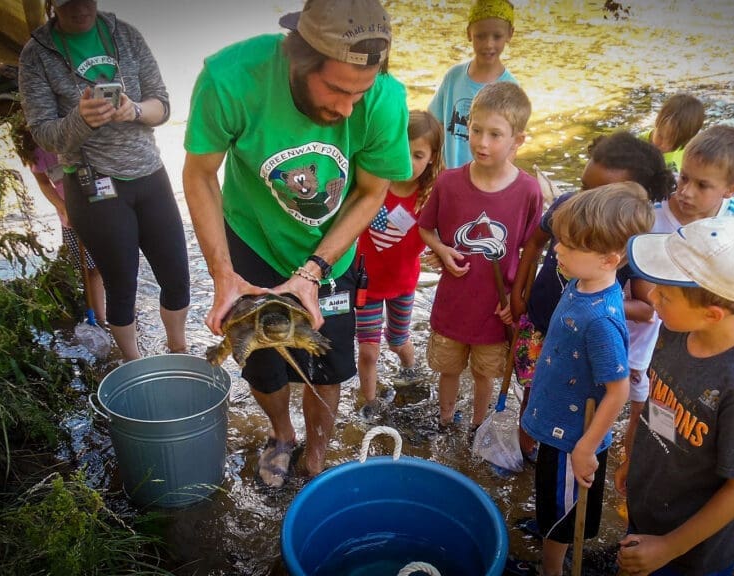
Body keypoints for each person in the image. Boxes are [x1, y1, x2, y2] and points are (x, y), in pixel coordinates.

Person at [182, 0, 411, 488]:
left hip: (333, 251)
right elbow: (200, 175)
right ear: (298, 58)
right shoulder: (231, 78)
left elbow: (372, 192)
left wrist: (312, 270)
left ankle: (318, 453)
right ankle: (283, 435)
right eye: (335, 89)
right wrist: (223, 272)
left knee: (328, 364)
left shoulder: (386, 99)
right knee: (262, 363)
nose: (347, 108)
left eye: (360, 92)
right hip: (252, 244)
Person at [18, 0, 189, 361]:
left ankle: (180, 351)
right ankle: (134, 366)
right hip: (92, 185)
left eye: (86, 0)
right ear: (52, 4)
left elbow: (163, 104)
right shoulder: (36, 55)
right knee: (121, 286)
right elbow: (43, 135)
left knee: (176, 278)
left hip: (149, 173)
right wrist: (82, 118)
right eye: (68, 3)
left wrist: (135, 110)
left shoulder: (124, 35)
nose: (80, 8)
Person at [615, 217, 734, 576]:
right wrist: (634, 457)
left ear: (712, 314)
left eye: (665, 295)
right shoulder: (675, 329)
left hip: (693, 552)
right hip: (649, 508)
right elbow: (655, 409)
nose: (652, 298)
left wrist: (668, 548)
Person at [510, 130, 676, 459]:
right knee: (533, 392)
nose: (585, 199)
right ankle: (527, 455)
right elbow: (535, 242)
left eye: (598, 192)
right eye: (585, 186)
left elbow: (646, 308)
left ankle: (551, 459)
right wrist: (520, 290)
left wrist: (595, 306)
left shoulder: (627, 243)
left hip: (577, 344)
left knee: (564, 407)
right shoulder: (567, 207)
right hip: (541, 323)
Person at [519, 182, 655, 576]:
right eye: (559, 241)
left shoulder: (601, 320)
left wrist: (585, 448)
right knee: (552, 502)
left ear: (609, 259)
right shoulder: (580, 284)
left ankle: (553, 570)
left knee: (564, 517)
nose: (556, 250)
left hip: (573, 439)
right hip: (557, 425)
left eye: (569, 245)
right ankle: (548, 539)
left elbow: (619, 390)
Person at [623, 124, 734, 459]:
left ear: (732, 189)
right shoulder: (651, 215)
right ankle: (632, 455)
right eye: (683, 178)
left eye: (702, 185)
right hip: (649, 323)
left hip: (695, 325)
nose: (685, 191)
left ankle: (649, 455)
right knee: (642, 390)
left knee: (670, 399)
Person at [419, 81, 542, 430]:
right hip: (453, 304)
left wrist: (518, 300)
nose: (482, 142)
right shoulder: (448, 183)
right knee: (448, 368)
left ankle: (477, 426)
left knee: (486, 373)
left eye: (495, 134)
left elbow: (531, 254)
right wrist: (441, 250)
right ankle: (445, 420)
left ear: (518, 140)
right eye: (475, 130)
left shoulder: (528, 191)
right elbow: (426, 229)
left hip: (495, 311)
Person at [0, 63, 106, 326]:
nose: (15, 119)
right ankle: (101, 321)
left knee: (112, 261)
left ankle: (122, 314)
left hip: (99, 199)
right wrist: (62, 207)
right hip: (70, 214)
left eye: (16, 110)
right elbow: (43, 181)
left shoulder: (62, 118)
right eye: (8, 116)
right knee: (89, 269)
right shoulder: (24, 141)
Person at [355, 110, 444, 419]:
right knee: (368, 348)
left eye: (418, 155)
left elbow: (442, 232)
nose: (408, 161)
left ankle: (410, 370)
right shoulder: (373, 183)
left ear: (432, 158)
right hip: (365, 283)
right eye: (402, 151)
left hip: (402, 284)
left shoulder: (430, 196)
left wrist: (441, 252)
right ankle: (368, 402)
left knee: (397, 341)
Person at [429, 0, 517, 170]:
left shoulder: (510, 89)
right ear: (469, 33)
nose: (488, 44)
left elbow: (511, 146)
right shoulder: (453, 77)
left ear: (509, 34)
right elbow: (435, 123)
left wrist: (492, 180)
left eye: (497, 36)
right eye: (481, 36)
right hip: (447, 175)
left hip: (483, 179)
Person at [639, 93, 705, 173]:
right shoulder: (637, 143)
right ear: (656, 122)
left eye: (672, 143)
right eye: (660, 136)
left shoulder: (689, 156)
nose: (663, 145)